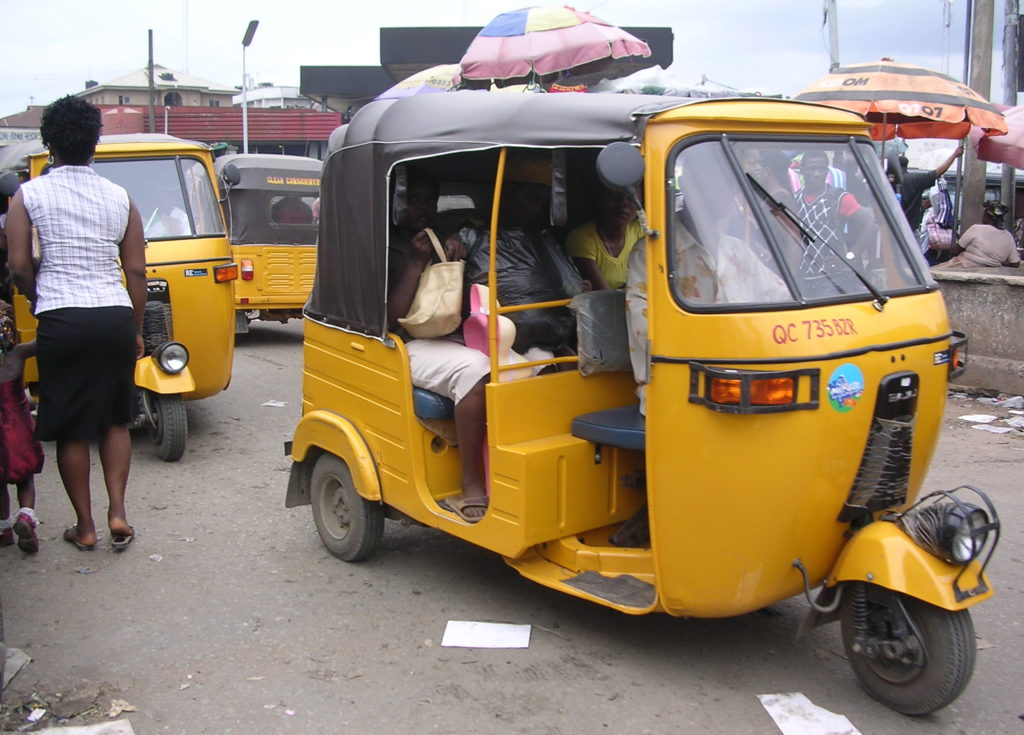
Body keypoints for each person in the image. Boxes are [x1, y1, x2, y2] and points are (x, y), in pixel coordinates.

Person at [5, 95, 147, 551]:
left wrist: (38, 295)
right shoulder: (120, 197)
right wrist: (137, 328)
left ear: (49, 143)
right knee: (115, 419)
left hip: (61, 317)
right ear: (95, 142)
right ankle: (119, 514)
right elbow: (137, 273)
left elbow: (20, 266)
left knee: (71, 425)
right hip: (114, 317)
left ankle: (84, 527)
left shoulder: (30, 194)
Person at [387, 166, 490, 523]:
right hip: (404, 343)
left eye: (429, 201)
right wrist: (417, 263)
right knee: (476, 372)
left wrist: (456, 259)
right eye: (413, 200)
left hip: (451, 333)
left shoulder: (446, 236)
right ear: (397, 203)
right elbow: (391, 321)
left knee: (532, 362)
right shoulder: (389, 244)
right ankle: (470, 483)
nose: (423, 208)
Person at [461, 153, 586, 355]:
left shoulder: (541, 236)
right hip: (499, 338)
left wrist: (579, 289)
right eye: (531, 199)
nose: (536, 209)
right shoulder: (474, 234)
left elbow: (571, 284)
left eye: (542, 203)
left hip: (550, 333)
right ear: (507, 192)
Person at [793, 150, 876, 287]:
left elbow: (872, 221)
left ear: (827, 170)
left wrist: (850, 256)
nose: (817, 173)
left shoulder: (838, 198)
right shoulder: (796, 198)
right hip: (803, 278)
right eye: (811, 169)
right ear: (802, 170)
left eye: (821, 168)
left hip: (833, 280)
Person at [0, 302, 42, 553]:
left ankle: (4, 529)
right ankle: (26, 517)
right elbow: (45, 340)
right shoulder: (17, 353)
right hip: (18, 430)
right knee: (25, 479)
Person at [565, 183, 645, 290]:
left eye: (631, 198)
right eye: (614, 197)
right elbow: (605, 294)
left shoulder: (641, 229)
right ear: (600, 201)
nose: (623, 203)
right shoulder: (581, 238)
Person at [933, 200, 1021, 269]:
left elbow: (955, 251)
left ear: (986, 215)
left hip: (964, 265)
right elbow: (1015, 263)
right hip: (992, 269)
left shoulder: (976, 229)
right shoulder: (1008, 236)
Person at [899, 147, 963, 232]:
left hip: (891, 228)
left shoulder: (885, 180)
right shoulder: (915, 179)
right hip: (910, 229)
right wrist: (954, 155)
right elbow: (938, 172)